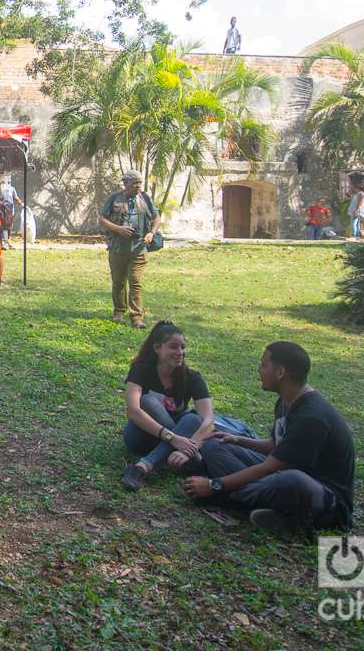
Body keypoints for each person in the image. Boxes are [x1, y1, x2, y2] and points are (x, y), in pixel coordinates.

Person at [183, 342, 355, 533]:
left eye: (263, 365)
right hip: (277, 472)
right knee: (215, 445)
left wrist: (215, 485)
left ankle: (225, 495)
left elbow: (270, 467)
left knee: (290, 481)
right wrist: (238, 440)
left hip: (322, 497)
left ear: (280, 372)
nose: (259, 370)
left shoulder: (311, 417)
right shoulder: (286, 400)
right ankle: (259, 504)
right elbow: (275, 445)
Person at [120, 322, 214, 491]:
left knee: (194, 418)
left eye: (183, 347)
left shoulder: (192, 377)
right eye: (173, 347)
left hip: (178, 439)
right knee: (146, 401)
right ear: (157, 348)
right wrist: (173, 438)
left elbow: (209, 421)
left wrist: (190, 447)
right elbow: (133, 411)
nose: (180, 353)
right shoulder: (141, 369)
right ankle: (190, 460)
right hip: (142, 435)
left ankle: (141, 468)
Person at [99, 171, 161, 329]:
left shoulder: (145, 198)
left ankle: (136, 316)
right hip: (118, 248)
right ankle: (119, 311)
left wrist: (151, 233)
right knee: (118, 282)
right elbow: (102, 219)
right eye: (135, 183)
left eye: (140, 182)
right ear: (125, 183)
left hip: (139, 248)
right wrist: (118, 229)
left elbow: (156, 217)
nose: (138, 186)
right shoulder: (114, 198)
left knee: (135, 282)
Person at [0, 175, 23, 249]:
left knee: (8, 227)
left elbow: (16, 198)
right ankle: (2, 243)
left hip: (10, 211)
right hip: (1, 211)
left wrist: (21, 204)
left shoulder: (12, 188)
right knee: (2, 226)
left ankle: (6, 242)